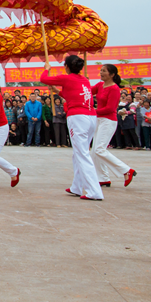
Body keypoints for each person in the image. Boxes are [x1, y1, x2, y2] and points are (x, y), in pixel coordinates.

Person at [41, 55, 103, 200]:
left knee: (82, 154)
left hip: (78, 118)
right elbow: (73, 95)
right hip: (90, 116)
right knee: (79, 153)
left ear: (67, 67)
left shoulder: (67, 78)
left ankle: (94, 191)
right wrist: (56, 91)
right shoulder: (84, 80)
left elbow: (44, 79)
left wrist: (46, 69)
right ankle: (76, 186)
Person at [90, 65, 135, 187]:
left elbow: (110, 108)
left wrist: (93, 111)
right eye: (101, 70)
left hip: (108, 121)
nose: (101, 73)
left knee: (99, 149)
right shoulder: (99, 85)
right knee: (94, 151)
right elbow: (87, 91)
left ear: (112, 74)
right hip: (98, 120)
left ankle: (126, 170)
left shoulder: (114, 89)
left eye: (104, 71)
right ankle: (103, 178)